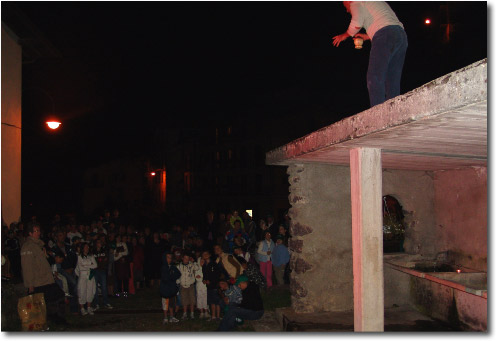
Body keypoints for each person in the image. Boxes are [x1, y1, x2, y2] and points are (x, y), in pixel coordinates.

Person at [332, 1, 408, 107]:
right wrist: (367, 36)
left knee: (374, 77)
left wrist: (345, 35)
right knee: (392, 79)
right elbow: (387, 21)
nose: (347, 10)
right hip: (400, 36)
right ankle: (395, 110)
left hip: (384, 35)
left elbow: (357, 22)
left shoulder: (355, 2)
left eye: (345, 6)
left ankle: (378, 112)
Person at [20, 222, 67, 324]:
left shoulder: (39, 245)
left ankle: (56, 319)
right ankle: (53, 320)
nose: (38, 233)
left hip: (46, 279)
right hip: (38, 281)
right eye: (36, 231)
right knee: (52, 298)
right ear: (30, 233)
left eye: (39, 230)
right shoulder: (28, 247)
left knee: (56, 298)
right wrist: (30, 285)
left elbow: (43, 262)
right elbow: (27, 267)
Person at [75, 242, 98, 316]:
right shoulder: (79, 256)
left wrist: (86, 265)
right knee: (82, 290)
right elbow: (80, 267)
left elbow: (95, 265)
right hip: (82, 275)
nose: (87, 249)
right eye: (85, 247)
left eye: (88, 247)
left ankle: (89, 307)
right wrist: (89, 265)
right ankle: (82, 308)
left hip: (90, 275)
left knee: (90, 290)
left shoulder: (91, 256)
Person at [160, 252, 181, 324]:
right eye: (167, 257)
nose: (169, 259)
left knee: (171, 303)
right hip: (165, 288)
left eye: (170, 257)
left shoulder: (172, 267)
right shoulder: (163, 267)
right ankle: (165, 317)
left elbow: (178, 274)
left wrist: (172, 276)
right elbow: (165, 278)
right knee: (165, 304)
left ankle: (171, 317)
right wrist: (171, 276)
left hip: (171, 288)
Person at [177, 253, 199, 319]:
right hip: (183, 285)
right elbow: (177, 275)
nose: (186, 260)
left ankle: (192, 313)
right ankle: (185, 313)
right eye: (185, 258)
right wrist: (178, 282)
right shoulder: (179, 266)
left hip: (191, 285)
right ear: (182, 258)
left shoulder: (191, 265)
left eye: (188, 258)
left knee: (192, 300)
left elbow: (197, 268)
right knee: (184, 300)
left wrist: (194, 261)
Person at [92, 239, 113, 309]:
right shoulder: (92, 251)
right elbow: (93, 262)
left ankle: (106, 302)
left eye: (100, 242)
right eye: (98, 242)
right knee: (95, 288)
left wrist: (101, 263)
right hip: (95, 271)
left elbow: (105, 261)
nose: (99, 244)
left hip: (102, 270)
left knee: (104, 287)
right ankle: (96, 303)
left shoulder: (104, 251)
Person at [202, 250, 223, 321]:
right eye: (203, 254)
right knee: (212, 302)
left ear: (209, 255)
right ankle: (213, 316)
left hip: (215, 286)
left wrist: (210, 281)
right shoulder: (204, 265)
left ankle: (218, 316)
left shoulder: (214, 264)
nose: (205, 255)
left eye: (206, 254)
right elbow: (204, 275)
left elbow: (217, 274)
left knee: (217, 301)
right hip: (209, 287)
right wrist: (204, 280)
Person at [195, 253, 209, 319]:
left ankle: (206, 312)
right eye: (201, 261)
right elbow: (197, 277)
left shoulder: (206, 268)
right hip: (199, 285)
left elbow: (206, 277)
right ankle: (201, 312)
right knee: (199, 298)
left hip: (205, 285)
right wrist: (201, 278)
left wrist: (202, 278)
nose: (202, 262)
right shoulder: (197, 268)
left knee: (205, 298)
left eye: (203, 261)